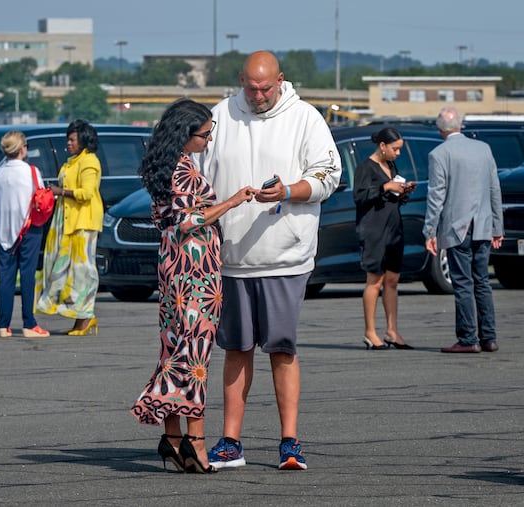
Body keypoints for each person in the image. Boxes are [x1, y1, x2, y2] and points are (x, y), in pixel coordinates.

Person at [195, 51, 341, 470]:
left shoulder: (306, 118)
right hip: (231, 256)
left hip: (285, 256)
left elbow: (329, 174)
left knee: (281, 349)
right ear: (241, 79)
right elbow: (197, 174)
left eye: (266, 88)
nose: (258, 95)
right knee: (236, 348)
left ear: (281, 80)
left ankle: (290, 442)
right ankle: (230, 442)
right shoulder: (220, 117)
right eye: (251, 87)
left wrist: (291, 190)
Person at [130, 99, 254, 474]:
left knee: (174, 348)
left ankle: (172, 440)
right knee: (195, 355)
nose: (210, 139)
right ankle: (195, 442)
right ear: (185, 133)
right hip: (194, 267)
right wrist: (233, 200)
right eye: (205, 133)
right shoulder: (182, 170)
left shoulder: (165, 166)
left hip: (172, 265)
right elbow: (189, 219)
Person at [424, 107, 504, 353]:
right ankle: (488, 337)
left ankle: (468, 339)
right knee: (482, 281)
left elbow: (436, 196)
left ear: (440, 130)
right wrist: (497, 227)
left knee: (463, 283)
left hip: (457, 227)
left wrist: (430, 231)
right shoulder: (483, 149)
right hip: (482, 225)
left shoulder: (439, 154)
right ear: (461, 125)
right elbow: (494, 189)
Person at [36, 119, 103, 336]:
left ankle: (86, 317)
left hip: (83, 223)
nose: (68, 143)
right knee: (68, 270)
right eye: (68, 139)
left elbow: (86, 193)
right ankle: (79, 316)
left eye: (72, 139)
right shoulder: (72, 161)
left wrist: (59, 192)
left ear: (83, 140)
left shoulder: (89, 162)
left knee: (84, 271)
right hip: (67, 220)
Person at [353, 127, 417, 350]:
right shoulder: (365, 167)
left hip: (393, 229)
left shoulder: (390, 165)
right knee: (375, 280)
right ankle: (370, 332)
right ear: (382, 146)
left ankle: (392, 330)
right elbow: (359, 196)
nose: (397, 153)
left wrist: (402, 191)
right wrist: (385, 186)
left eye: (399, 149)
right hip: (373, 230)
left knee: (392, 280)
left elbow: (389, 196)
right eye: (395, 149)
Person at [0, 131, 50, 339]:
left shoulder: (0, 172)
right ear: (22, 149)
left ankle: (3, 324)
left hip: (4, 230)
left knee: (5, 277)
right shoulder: (31, 171)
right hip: (28, 228)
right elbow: (41, 196)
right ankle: (29, 323)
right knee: (27, 276)